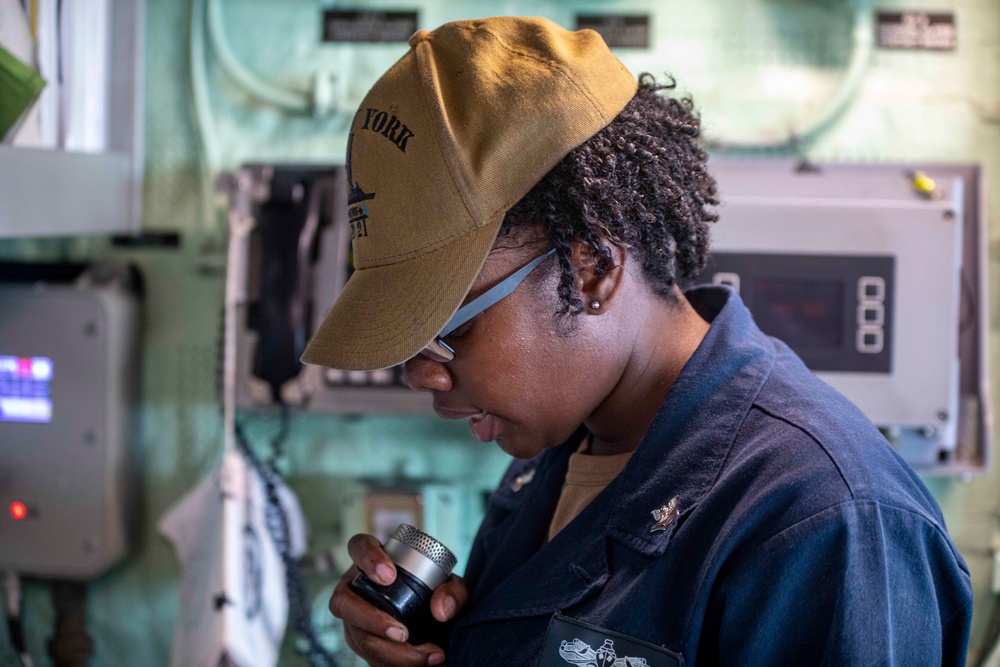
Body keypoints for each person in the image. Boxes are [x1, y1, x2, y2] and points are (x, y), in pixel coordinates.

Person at [301, 16, 972, 666]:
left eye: (450, 329)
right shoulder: (561, 457)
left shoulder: (823, 523)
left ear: (592, 267)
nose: (424, 375)